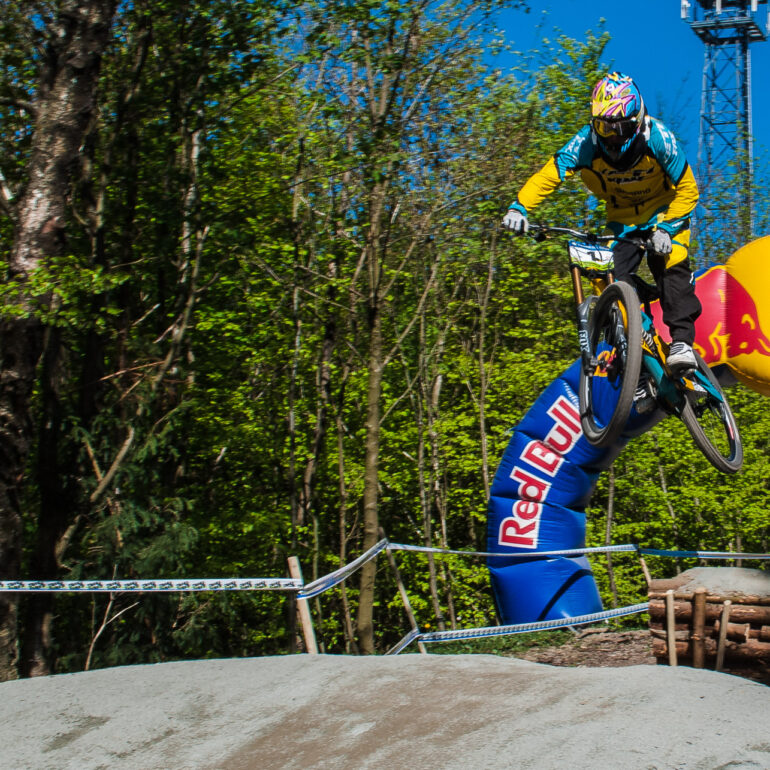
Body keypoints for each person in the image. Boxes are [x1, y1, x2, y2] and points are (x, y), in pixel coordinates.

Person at [503, 71, 701, 376]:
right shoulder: (585, 143)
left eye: (620, 128)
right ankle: (632, 357)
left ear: (637, 121)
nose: (612, 137)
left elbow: (688, 189)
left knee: (670, 258)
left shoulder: (659, 139)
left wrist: (667, 229)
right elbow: (551, 174)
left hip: (663, 212)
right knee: (601, 273)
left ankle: (681, 343)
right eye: (603, 127)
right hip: (622, 220)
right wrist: (520, 208)